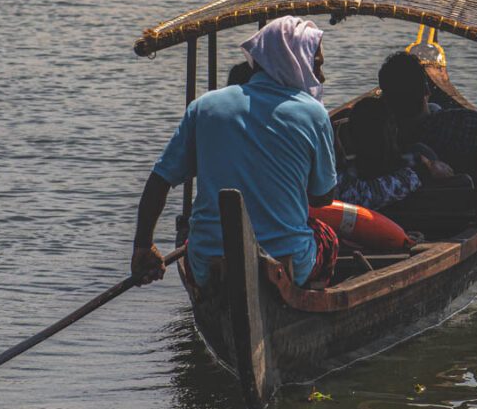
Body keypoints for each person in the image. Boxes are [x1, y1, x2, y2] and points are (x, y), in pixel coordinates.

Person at [131, 16, 339, 288]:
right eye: (317, 65)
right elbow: (322, 196)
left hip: (208, 265)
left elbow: (160, 180)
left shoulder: (205, 106)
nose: (320, 77)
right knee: (328, 238)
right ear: (296, 59)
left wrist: (143, 247)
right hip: (287, 263)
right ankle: (304, 300)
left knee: (190, 234)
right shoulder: (314, 114)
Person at [378, 51, 477, 177]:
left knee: (435, 108)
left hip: (413, 200)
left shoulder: (380, 133)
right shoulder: (458, 122)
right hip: (464, 189)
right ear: (426, 90)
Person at [335, 95, 463, 212]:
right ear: (395, 131)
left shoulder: (414, 160)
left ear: (351, 137)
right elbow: (360, 196)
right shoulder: (417, 163)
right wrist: (421, 171)